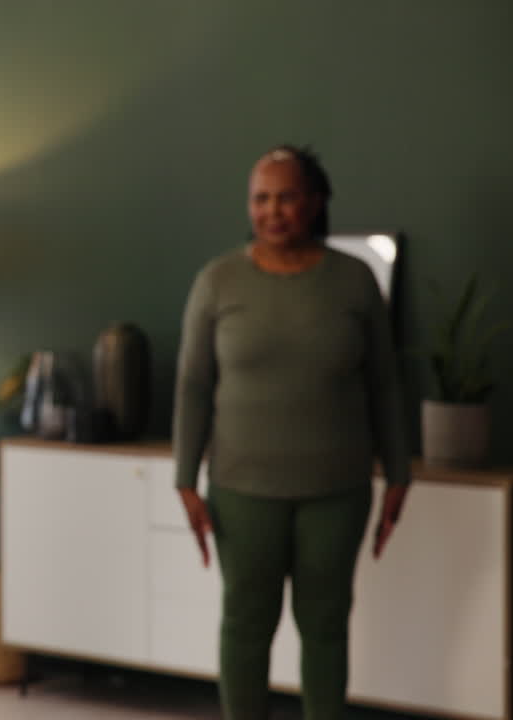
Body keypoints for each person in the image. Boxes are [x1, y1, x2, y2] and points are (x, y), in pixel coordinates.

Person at [172, 145, 411, 720]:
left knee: (326, 627)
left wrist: (400, 472)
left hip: (337, 490)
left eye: (286, 196)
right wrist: (184, 479)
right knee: (246, 626)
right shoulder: (219, 280)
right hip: (242, 490)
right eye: (260, 197)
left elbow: (385, 383)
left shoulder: (355, 282)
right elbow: (194, 385)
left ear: (316, 202)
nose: (272, 210)